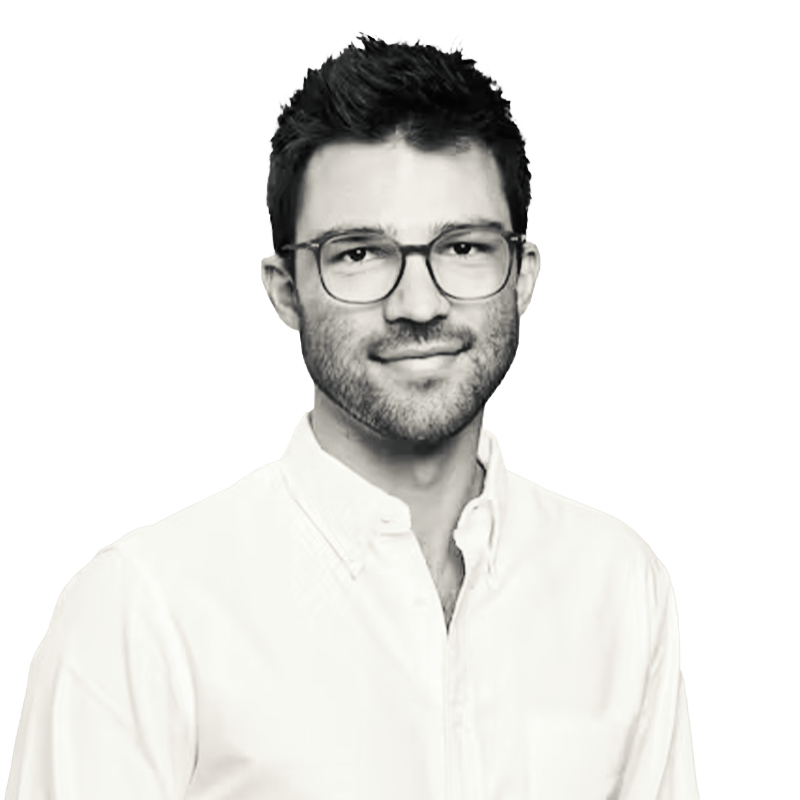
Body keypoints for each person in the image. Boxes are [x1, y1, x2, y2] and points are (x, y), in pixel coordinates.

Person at [7, 33, 700, 799]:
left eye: (463, 247)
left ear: (522, 275)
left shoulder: (618, 583)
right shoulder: (141, 611)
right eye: (359, 254)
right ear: (283, 292)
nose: (419, 304)